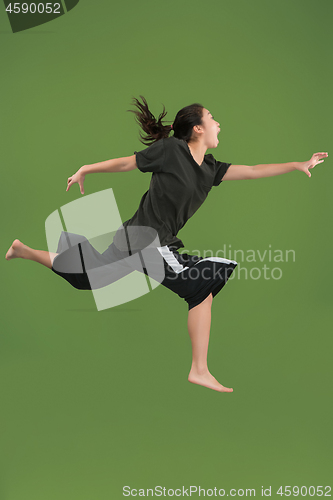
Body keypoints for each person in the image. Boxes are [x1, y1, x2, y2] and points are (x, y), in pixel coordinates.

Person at [6, 96, 328, 393]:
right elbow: (126, 163)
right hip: (148, 240)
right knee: (204, 281)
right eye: (213, 119)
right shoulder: (171, 151)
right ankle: (199, 369)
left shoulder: (210, 169)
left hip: (138, 239)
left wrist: (298, 164)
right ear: (198, 128)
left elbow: (254, 171)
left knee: (86, 277)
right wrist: (86, 168)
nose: (219, 125)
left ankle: (23, 250)